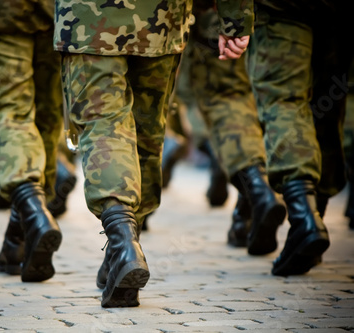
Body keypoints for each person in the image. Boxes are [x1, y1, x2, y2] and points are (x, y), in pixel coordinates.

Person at [54, 0, 253, 307]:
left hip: (87, 17)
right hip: (162, 16)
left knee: (103, 121)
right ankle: (125, 249)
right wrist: (234, 19)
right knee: (146, 132)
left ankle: (123, 244)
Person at [245, 0, 354, 276]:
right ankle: (315, 217)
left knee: (284, 100)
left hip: (281, 8)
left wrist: (233, 20)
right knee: (329, 106)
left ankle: (305, 220)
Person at [0, 0, 64, 281]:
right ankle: (17, 243)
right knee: (45, 120)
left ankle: (34, 213)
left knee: (8, 114)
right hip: (58, 12)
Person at [183, 1, 286, 250]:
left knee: (226, 99)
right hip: (293, 15)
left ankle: (259, 191)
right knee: (280, 102)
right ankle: (246, 216)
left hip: (226, 10)